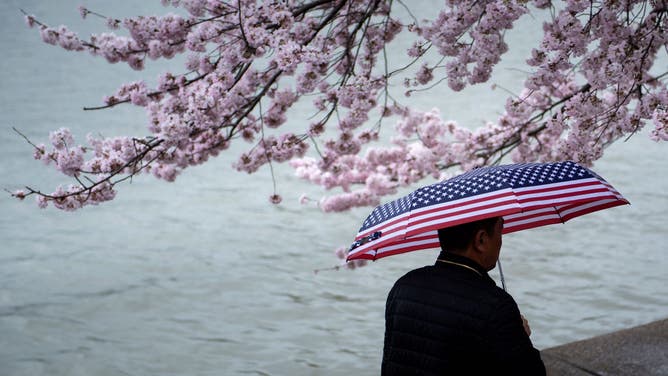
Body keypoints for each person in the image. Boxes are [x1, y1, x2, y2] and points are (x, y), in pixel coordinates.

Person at [381, 216, 546, 375]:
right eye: (500, 230)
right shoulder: (496, 306)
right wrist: (520, 337)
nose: (501, 240)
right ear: (481, 240)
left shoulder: (403, 286)